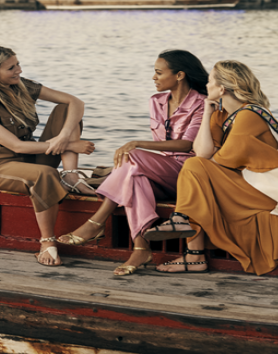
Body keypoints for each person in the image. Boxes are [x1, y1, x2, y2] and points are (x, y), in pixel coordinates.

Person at [57, 50, 207, 276]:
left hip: (186, 174)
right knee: (134, 177)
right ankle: (141, 248)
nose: (153, 77)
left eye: (158, 72)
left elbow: (187, 145)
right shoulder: (156, 101)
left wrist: (136, 143)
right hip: (158, 171)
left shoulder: (201, 103)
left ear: (179, 75)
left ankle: (97, 221)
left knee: (132, 155)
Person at [143, 60, 278, 275]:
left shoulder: (250, 115)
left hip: (267, 192)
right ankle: (191, 249)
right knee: (195, 168)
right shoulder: (221, 115)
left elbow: (221, 161)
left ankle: (185, 234)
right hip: (241, 185)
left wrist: (202, 167)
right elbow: (202, 152)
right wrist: (206, 112)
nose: (206, 86)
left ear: (221, 89)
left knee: (194, 169)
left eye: (210, 81)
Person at [0, 45, 96, 267]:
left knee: (65, 109)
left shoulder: (23, 86)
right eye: (11, 68)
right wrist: (71, 144)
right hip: (0, 166)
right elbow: (17, 147)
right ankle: (46, 242)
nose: (19, 71)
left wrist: (62, 140)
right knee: (46, 173)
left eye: (18, 64)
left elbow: (76, 102)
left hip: (33, 155)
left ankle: (71, 175)